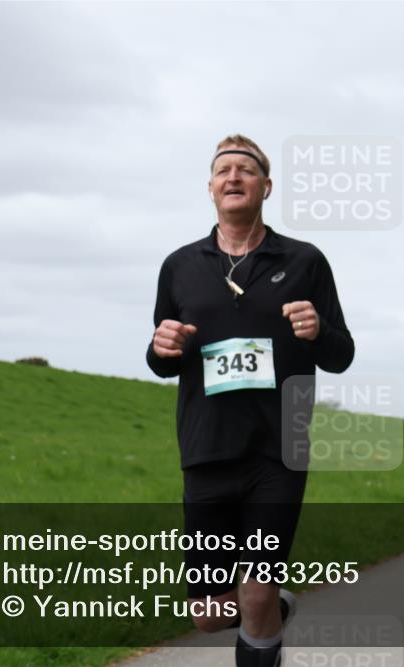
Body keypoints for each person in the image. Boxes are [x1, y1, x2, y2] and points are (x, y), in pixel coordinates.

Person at [146, 135, 355, 667]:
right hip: (206, 449)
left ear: (266, 186)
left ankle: (264, 609)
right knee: (209, 614)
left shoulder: (305, 261)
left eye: (246, 168)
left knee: (256, 590)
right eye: (223, 170)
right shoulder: (179, 266)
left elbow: (341, 354)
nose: (233, 176)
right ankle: (273, 610)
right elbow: (163, 359)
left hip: (278, 450)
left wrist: (317, 330)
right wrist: (160, 346)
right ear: (210, 188)